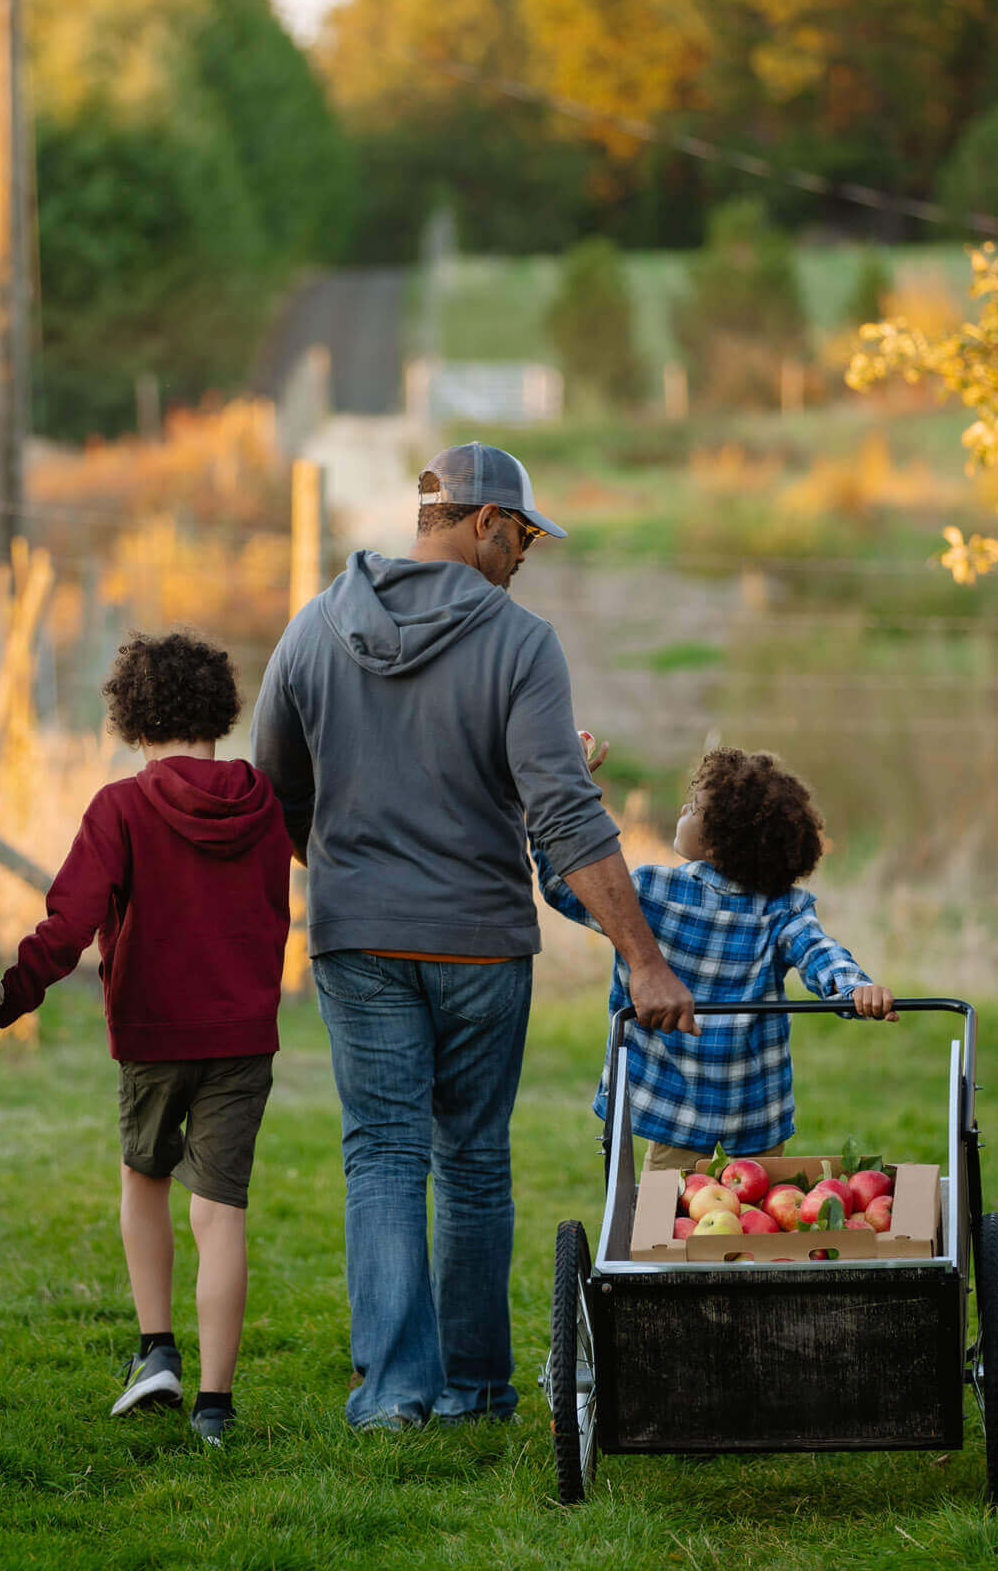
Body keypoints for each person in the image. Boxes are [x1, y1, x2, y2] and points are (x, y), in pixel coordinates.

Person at [250, 441, 697, 1431]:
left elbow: (272, 788)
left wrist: (342, 873)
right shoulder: (520, 643)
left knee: (382, 1154)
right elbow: (567, 818)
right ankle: (476, 1389)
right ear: (484, 522)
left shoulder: (315, 627)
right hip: (480, 945)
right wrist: (645, 957)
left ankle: (397, 1393)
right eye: (524, 537)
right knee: (472, 1159)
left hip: (357, 936)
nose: (527, 558)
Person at [0, 631, 291, 1446]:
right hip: (242, 1036)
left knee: (144, 1176)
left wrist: (11, 995)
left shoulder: (120, 807)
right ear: (219, 712)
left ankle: (157, 1350)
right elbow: (272, 912)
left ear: (132, 715)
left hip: (155, 1035)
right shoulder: (263, 803)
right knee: (221, 1213)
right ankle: (216, 1410)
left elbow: (69, 923)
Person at [534, 744, 896, 1172]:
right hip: (756, 1117)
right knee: (754, 1226)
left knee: (667, 1229)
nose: (683, 809)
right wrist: (853, 988)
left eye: (695, 808)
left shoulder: (653, 892)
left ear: (719, 845)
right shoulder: (784, 907)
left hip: (674, 1112)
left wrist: (558, 803)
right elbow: (822, 956)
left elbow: (565, 890)